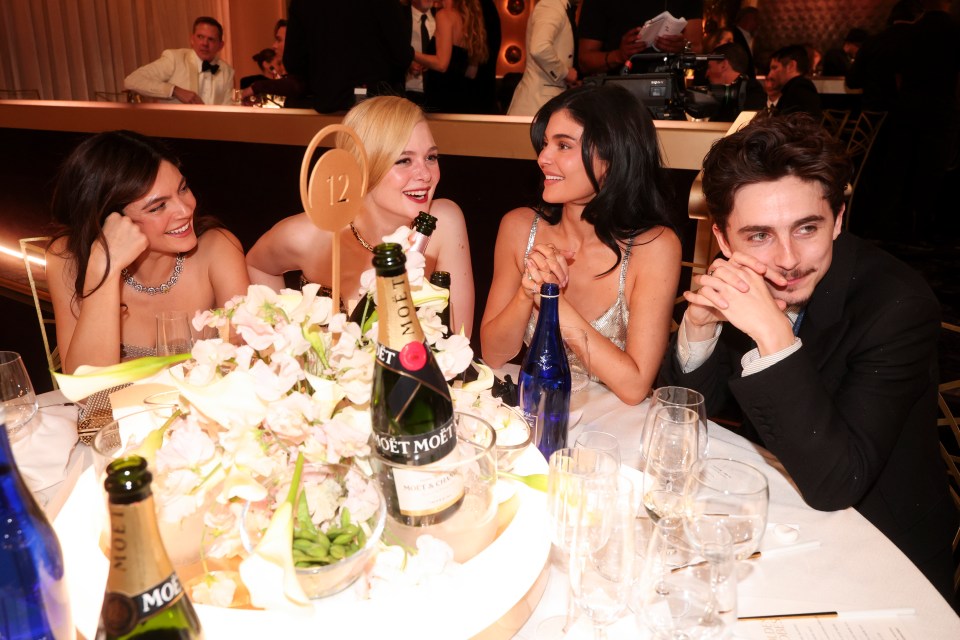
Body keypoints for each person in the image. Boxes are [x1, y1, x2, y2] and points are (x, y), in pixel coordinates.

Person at [659, 113, 958, 606]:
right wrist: (699, 328)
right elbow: (691, 413)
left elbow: (837, 483)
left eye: (807, 228)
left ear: (839, 218)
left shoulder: (898, 305)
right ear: (724, 238)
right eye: (759, 235)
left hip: (882, 552)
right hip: (774, 512)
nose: (788, 259)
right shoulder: (744, 277)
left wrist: (772, 333)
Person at [481, 83, 681, 405]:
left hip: (612, 432)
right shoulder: (519, 228)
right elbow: (493, 353)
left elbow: (634, 387)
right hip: (537, 412)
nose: (543, 158)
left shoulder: (654, 247)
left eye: (563, 146)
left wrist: (553, 301)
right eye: (545, 144)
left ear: (613, 156)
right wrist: (525, 293)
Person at [245, 96, 475, 336]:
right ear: (365, 167)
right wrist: (279, 339)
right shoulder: (310, 234)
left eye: (431, 157)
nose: (426, 175)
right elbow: (258, 265)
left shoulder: (443, 223)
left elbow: (458, 343)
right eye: (404, 160)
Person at [46, 130, 249, 374]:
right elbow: (85, 389)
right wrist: (105, 268)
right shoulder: (68, 258)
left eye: (183, 189)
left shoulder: (217, 249)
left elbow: (249, 364)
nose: (185, 210)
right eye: (158, 206)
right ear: (110, 220)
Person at [283, 0, 412, 113]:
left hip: (328, 101)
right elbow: (402, 56)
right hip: (375, 105)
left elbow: (293, 62)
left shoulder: (303, 2)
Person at [124, 16, 235, 105]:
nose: (204, 43)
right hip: (172, 130)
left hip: (211, 130)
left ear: (220, 45)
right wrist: (174, 90)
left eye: (211, 39)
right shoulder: (174, 59)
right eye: (200, 37)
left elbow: (228, 108)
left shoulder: (227, 71)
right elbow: (132, 81)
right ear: (192, 39)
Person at [577, 0, 704, 76]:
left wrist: (683, 47)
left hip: (669, 92)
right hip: (614, 97)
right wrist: (619, 55)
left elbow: (697, 47)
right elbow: (584, 61)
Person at [414, 0, 488, 114]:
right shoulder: (468, 20)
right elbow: (471, 72)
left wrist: (410, 53)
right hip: (462, 101)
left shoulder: (444, 15)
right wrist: (428, 63)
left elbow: (442, 64)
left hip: (441, 100)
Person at [507, 0, 577, 116]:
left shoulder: (557, 6)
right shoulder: (550, 5)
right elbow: (540, 49)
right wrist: (565, 73)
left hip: (542, 100)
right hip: (537, 103)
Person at [703, 42, 766, 122]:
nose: (706, 74)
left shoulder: (751, 90)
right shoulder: (723, 96)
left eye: (709, 67)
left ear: (723, 65)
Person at [766, 45, 821, 119]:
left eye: (774, 68)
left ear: (791, 66)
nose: (770, 75)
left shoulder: (800, 89)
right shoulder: (793, 88)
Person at [403, 0, 438, 106]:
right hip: (408, 90)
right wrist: (408, 63)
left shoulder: (440, 17)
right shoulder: (401, 16)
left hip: (435, 92)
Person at [731, 6, 759, 78]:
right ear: (746, 18)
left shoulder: (751, 37)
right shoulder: (733, 35)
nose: (757, 22)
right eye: (755, 19)